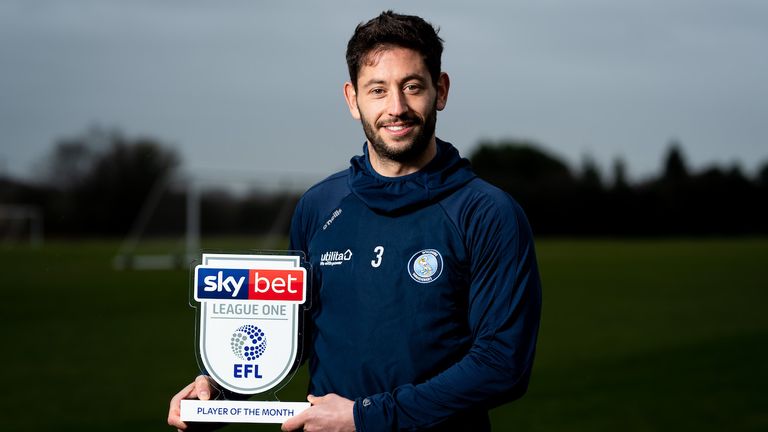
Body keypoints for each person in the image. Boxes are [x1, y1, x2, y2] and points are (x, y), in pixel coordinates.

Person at [169, 10, 542, 432]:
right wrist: (218, 397)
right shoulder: (319, 206)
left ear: (441, 90)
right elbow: (293, 340)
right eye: (378, 90)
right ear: (352, 99)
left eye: (412, 87)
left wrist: (366, 418)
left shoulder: (488, 213)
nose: (396, 108)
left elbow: (501, 364)